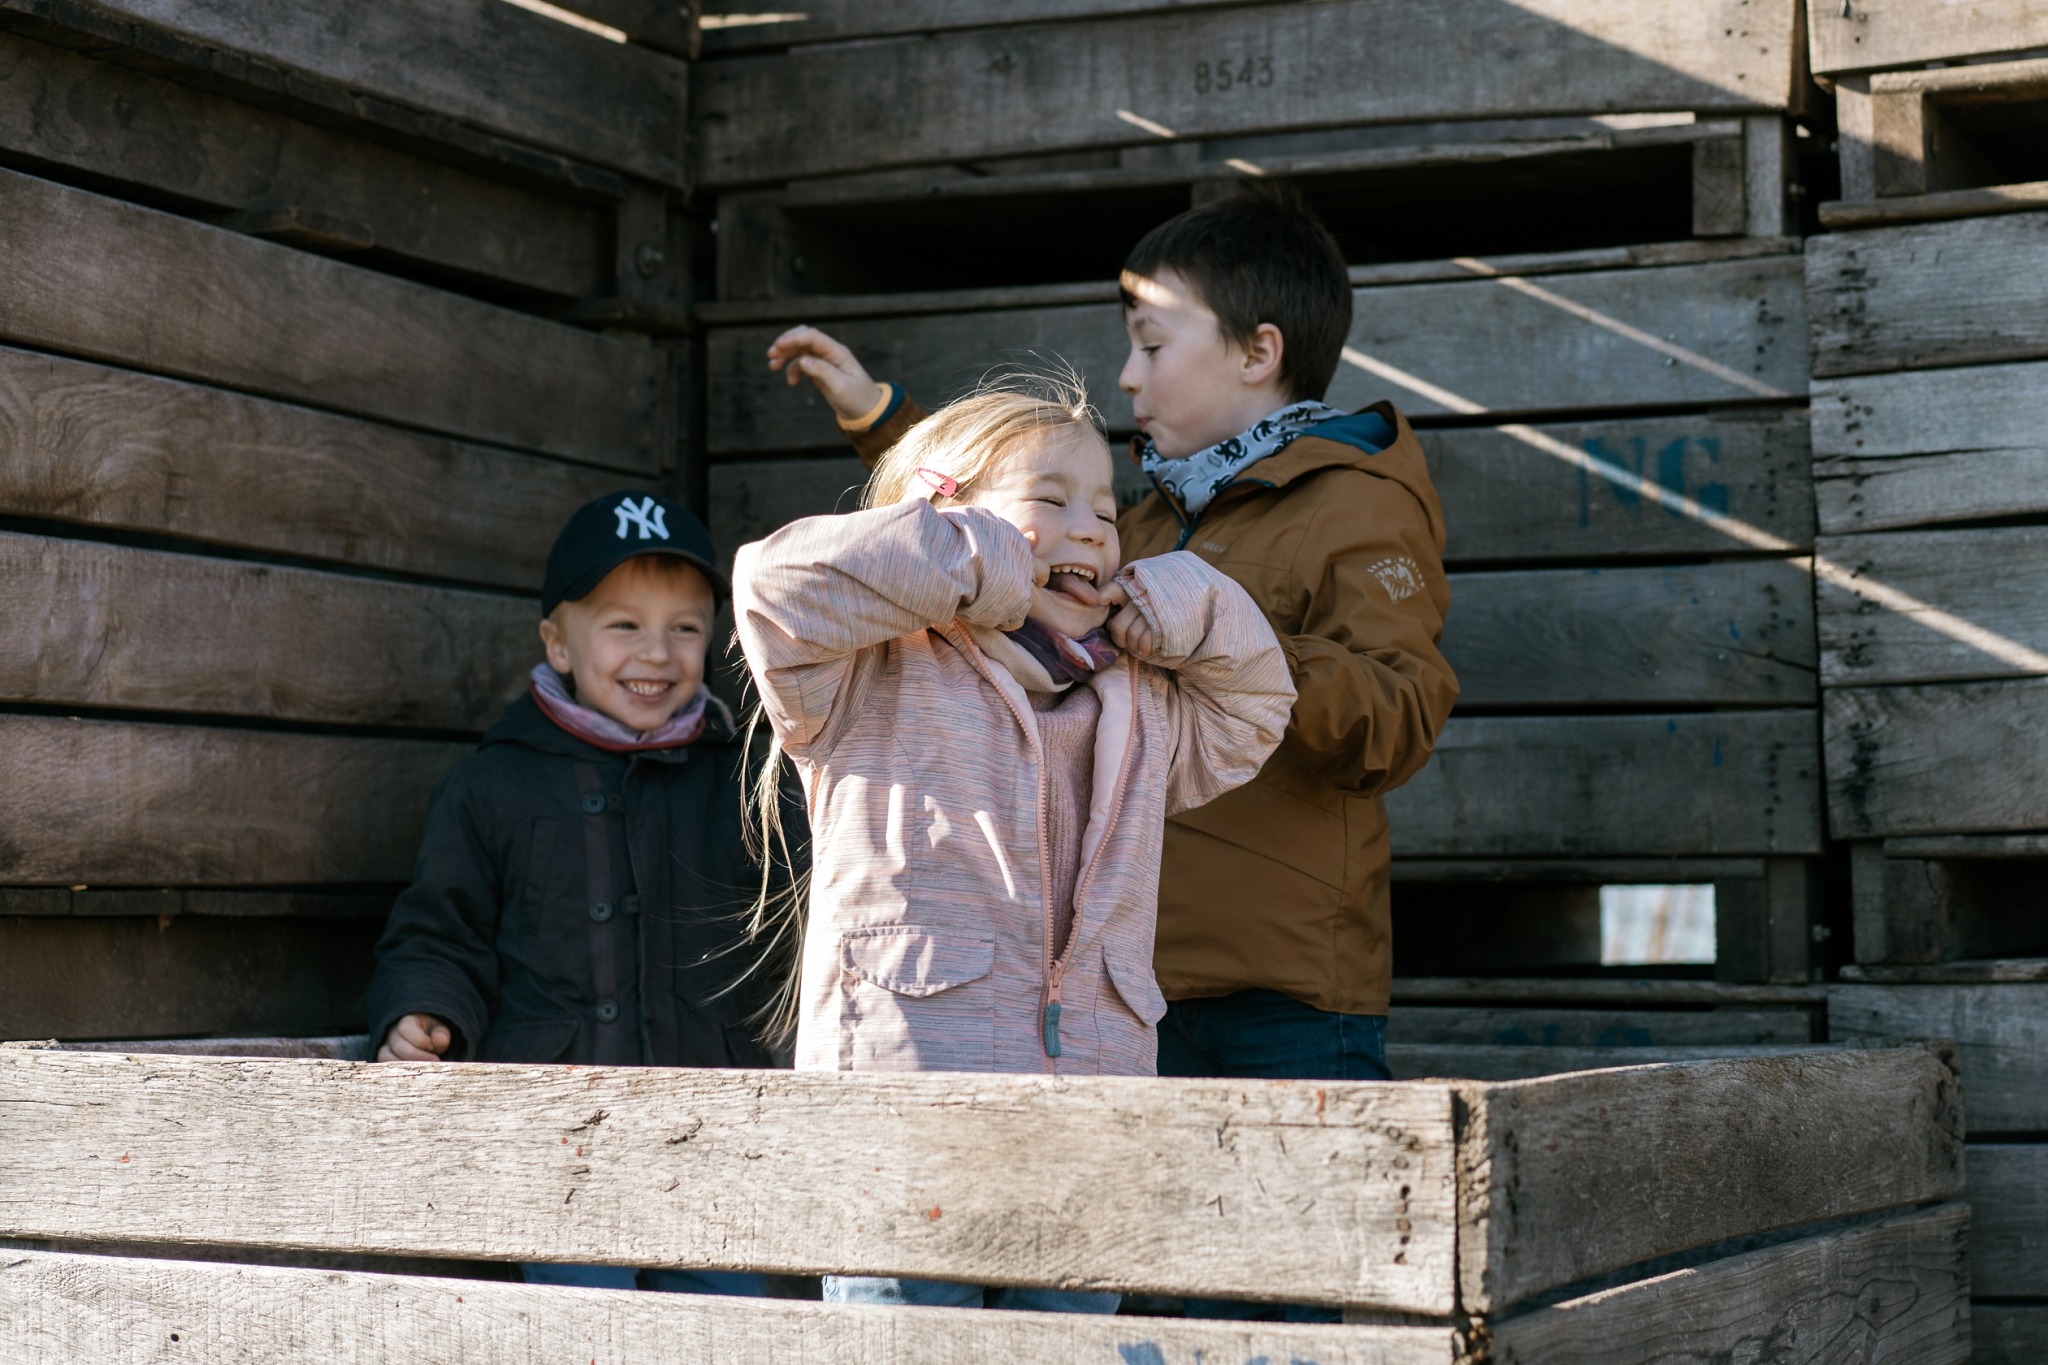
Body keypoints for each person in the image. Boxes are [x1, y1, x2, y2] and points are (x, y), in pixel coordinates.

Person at [766, 187, 1458, 1319]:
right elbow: (1027, 520)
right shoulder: (1140, 515)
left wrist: (1223, 639)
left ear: (1256, 353)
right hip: (1115, 999)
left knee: (1262, 1314)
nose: (1126, 378)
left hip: (1276, 998)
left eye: (1147, 343)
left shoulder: (1354, 506)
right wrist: (885, 420)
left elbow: (1396, 715)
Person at [731, 374, 1294, 1314]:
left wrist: (1187, 597)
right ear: (950, 521)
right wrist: (975, 557)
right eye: (1051, 500)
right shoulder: (868, 673)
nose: (1093, 531)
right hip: (905, 1140)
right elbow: (774, 585)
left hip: (1091, 1135)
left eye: (1108, 511)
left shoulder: (1140, 701)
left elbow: (1257, 706)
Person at [366, 489, 789, 1298]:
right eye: (624, 624)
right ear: (558, 642)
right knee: (580, 1327)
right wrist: (423, 1010)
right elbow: (438, 932)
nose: (656, 653)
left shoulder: (751, 782)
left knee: (726, 1331)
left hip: (714, 1132)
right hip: (555, 1143)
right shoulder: (491, 785)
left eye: (686, 627)